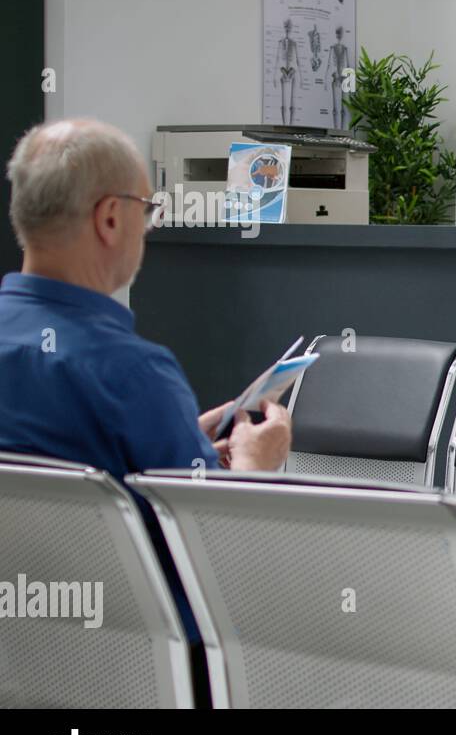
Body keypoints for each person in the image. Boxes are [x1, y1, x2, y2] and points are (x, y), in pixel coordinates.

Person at [0, 118, 292, 480]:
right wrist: (255, 465)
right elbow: (208, 527)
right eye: (146, 210)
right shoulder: (134, 374)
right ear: (109, 218)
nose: (146, 228)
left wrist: (179, 436)